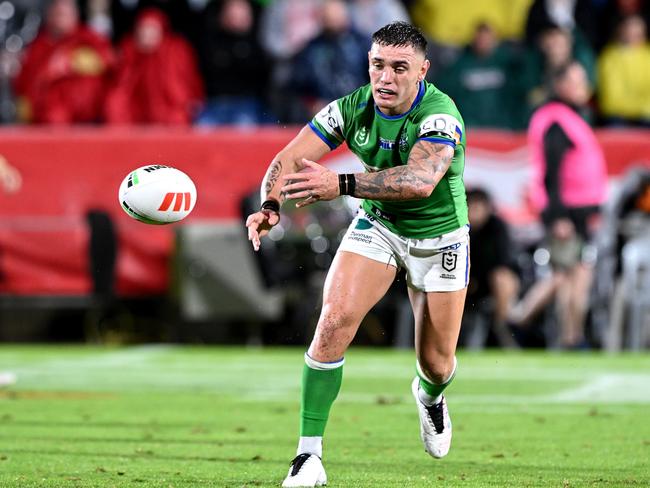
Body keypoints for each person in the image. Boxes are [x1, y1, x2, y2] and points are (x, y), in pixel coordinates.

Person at [245, 21, 469, 487]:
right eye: (377, 65)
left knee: (437, 363)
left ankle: (430, 396)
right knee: (333, 320)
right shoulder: (352, 107)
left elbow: (421, 180)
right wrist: (269, 204)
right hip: (379, 226)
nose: (385, 78)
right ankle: (308, 458)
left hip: (440, 239)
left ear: (422, 70)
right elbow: (288, 157)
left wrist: (341, 183)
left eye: (399, 68)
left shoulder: (439, 114)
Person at [509, 61, 607, 349]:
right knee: (570, 275)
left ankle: (569, 336)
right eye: (576, 81)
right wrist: (557, 217)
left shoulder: (567, 117)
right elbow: (551, 173)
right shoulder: (556, 120)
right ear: (560, 84)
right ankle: (525, 321)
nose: (583, 86)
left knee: (568, 275)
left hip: (576, 211)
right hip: (567, 212)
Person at [13, 0, 114, 124]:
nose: (61, 18)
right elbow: (24, 81)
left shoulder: (88, 37)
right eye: (58, 13)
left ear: (75, 15)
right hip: (47, 122)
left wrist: (73, 61)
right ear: (49, 15)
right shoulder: (38, 46)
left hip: (89, 119)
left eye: (65, 13)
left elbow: (109, 60)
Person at [104, 8, 204, 125]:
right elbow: (120, 85)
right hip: (137, 109)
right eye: (144, 30)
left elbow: (189, 79)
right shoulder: (129, 50)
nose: (147, 34)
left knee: (178, 115)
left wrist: (195, 98)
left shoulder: (176, 50)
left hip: (168, 109)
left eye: (152, 29)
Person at [464, 188, 520, 348]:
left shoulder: (497, 227)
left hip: (491, 283)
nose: (475, 213)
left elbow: (503, 263)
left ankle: (501, 326)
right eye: (471, 207)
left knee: (501, 277)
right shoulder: (459, 229)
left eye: (479, 207)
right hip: (466, 282)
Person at [597, 14, 650, 126]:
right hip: (617, 116)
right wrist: (639, 108)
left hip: (645, 116)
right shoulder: (609, 57)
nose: (633, 35)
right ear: (621, 30)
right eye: (629, 30)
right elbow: (610, 100)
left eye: (637, 32)